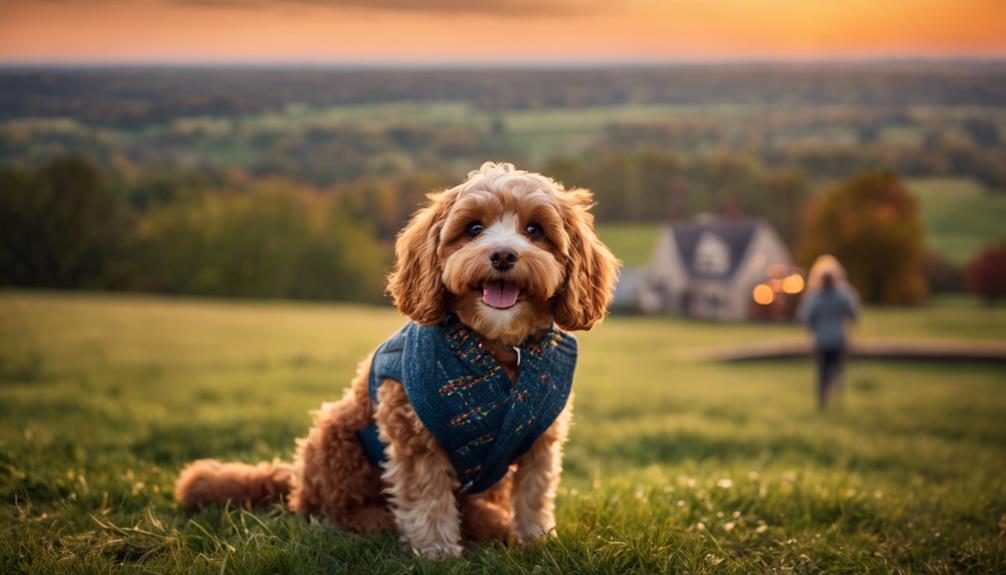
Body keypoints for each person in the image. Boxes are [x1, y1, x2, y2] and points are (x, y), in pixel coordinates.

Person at [799, 258, 859, 409]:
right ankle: (837, 397)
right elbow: (853, 314)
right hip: (839, 339)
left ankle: (823, 399)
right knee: (837, 369)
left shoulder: (815, 298)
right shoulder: (842, 296)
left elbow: (805, 317)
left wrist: (813, 328)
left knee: (823, 370)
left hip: (822, 340)